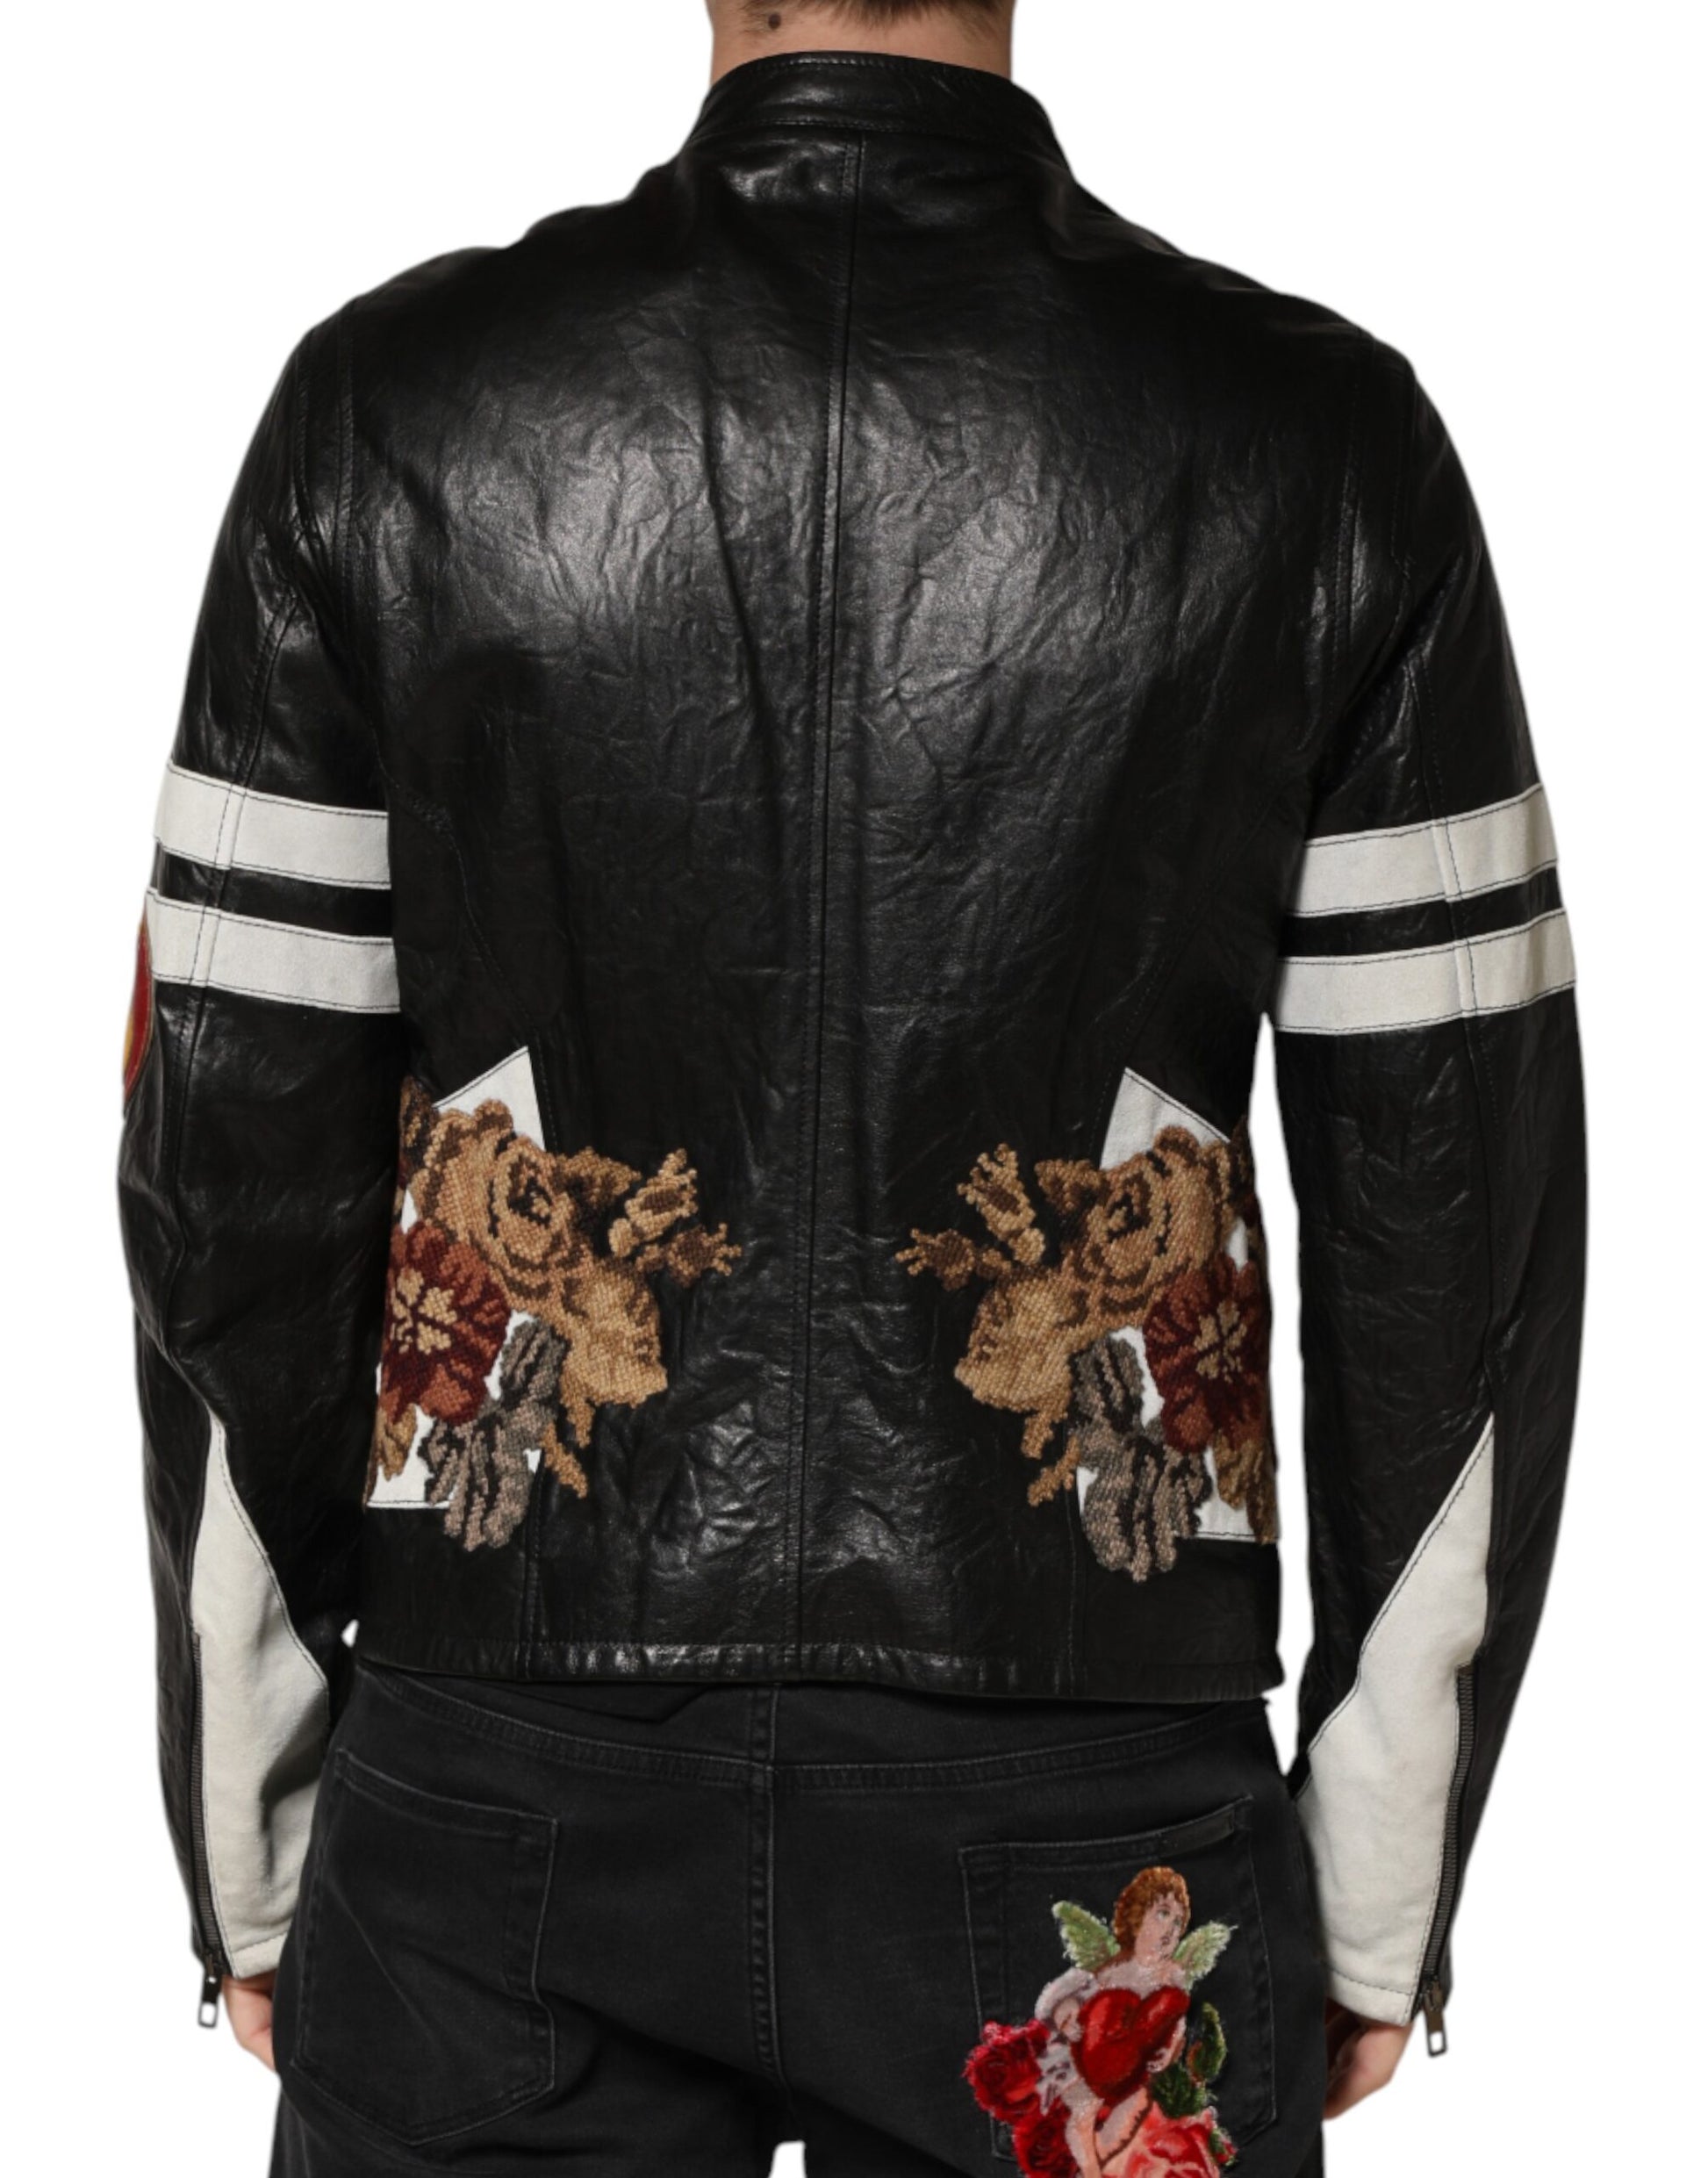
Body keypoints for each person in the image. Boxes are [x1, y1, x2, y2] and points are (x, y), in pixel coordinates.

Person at [115, 1, 1586, 2171]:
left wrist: (248, 1818)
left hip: (500, 1768)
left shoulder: (391, 412)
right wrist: (1382, 1870)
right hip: (1085, 1769)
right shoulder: (1321, 442)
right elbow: (1456, 1208)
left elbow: (229, 1162)